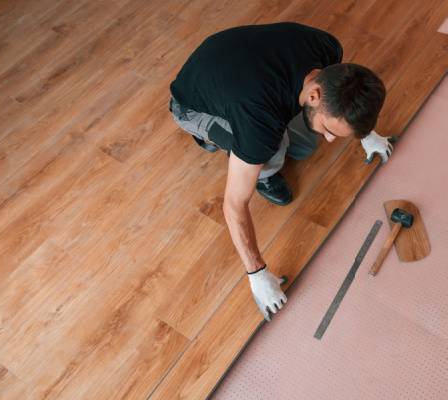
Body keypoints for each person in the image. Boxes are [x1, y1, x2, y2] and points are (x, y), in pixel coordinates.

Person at [169, 22, 394, 321]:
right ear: (314, 94)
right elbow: (234, 204)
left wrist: (365, 133)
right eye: (330, 130)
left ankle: (246, 140)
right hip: (192, 103)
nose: (329, 139)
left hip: (232, 63)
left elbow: (344, 101)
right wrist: (257, 274)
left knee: (303, 147)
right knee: (270, 148)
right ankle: (211, 136)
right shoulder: (258, 118)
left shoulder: (327, 48)